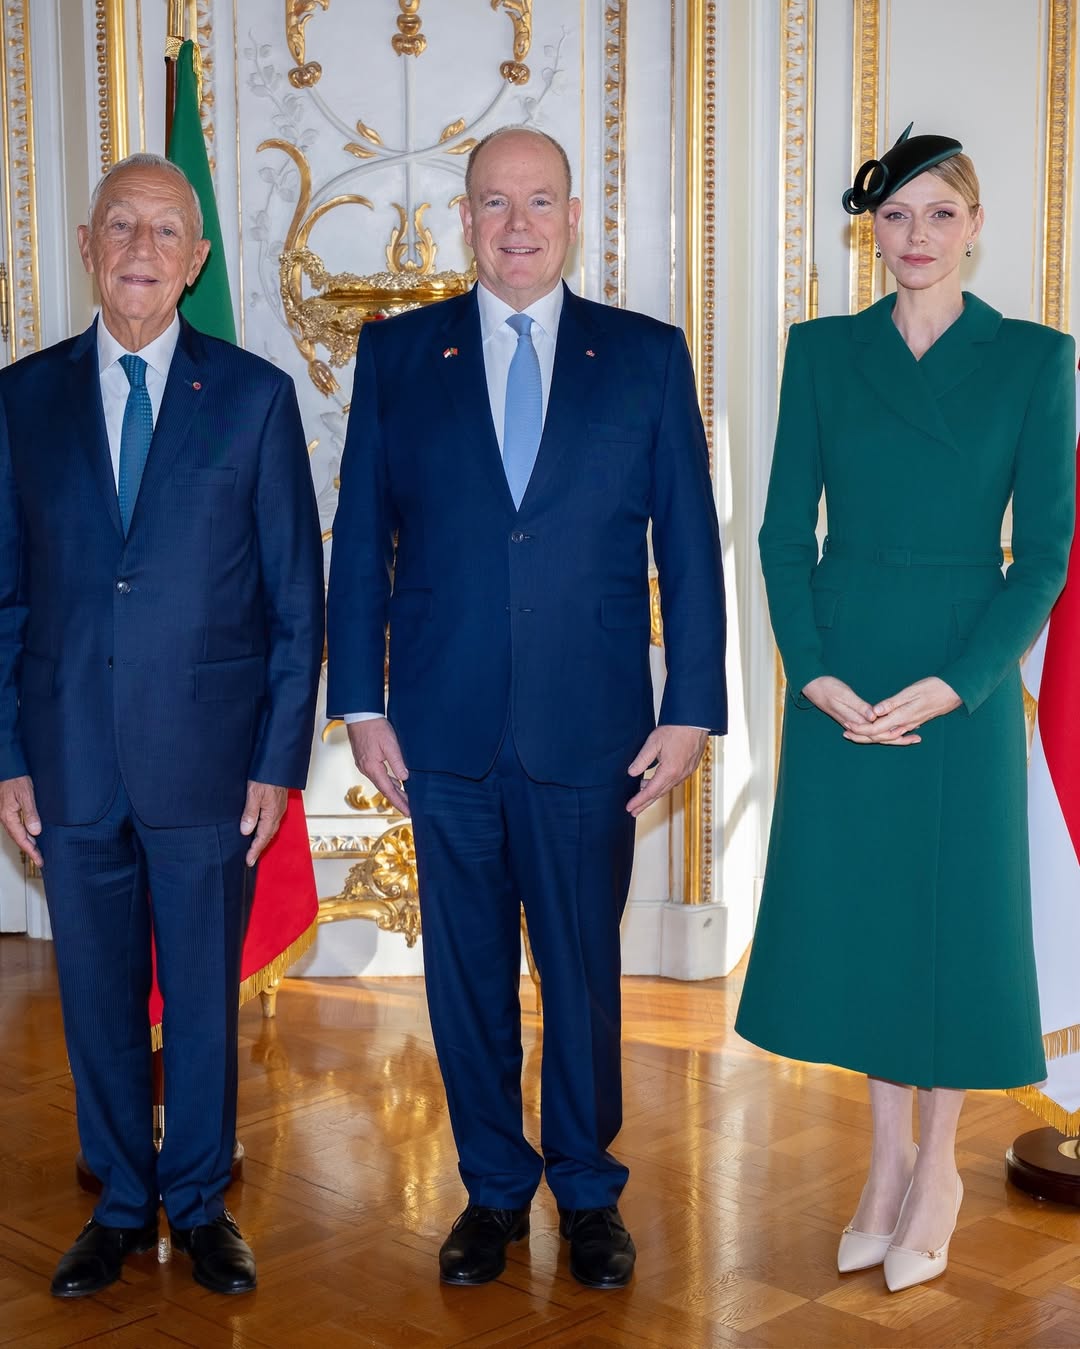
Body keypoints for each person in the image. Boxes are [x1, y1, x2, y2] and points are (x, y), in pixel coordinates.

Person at [326, 126, 726, 1289]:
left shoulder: (645, 356)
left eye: (538, 200)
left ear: (572, 216)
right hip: (440, 729)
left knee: (582, 970)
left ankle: (588, 1187)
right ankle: (494, 1189)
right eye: (493, 201)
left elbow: (690, 547)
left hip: (591, 726)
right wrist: (362, 699)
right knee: (464, 976)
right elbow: (361, 545)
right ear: (464, 219)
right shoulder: (398, 355)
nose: (516, 222)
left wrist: (690, 703)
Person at [735, 125, 1075, 1292]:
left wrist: (966, 680)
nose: (915, 237)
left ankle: (940, 1166)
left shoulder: (1039, 359)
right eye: (894, 216)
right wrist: (810, 668)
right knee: (872, 915)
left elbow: (1042, 555)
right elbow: (783, 533)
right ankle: (880, 1162)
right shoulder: (821, 352)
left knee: (954, 922)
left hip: (962, 672)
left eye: (939, 214)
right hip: (843, 663)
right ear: (868, 230)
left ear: (976, 226)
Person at [0, 154, 324, 1297]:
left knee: (199, 993)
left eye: (166, 230)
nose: (142, 246)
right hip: (69, 755)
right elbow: (4, 594)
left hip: (210, 761)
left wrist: (280, 763)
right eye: (121, 225)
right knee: (91, 991)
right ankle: (120, 1202)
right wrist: (7, 759)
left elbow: (298, 601)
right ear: (89, 247)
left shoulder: (252, 396)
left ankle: (198, 1199)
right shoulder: (20, 398)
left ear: (195, 262)